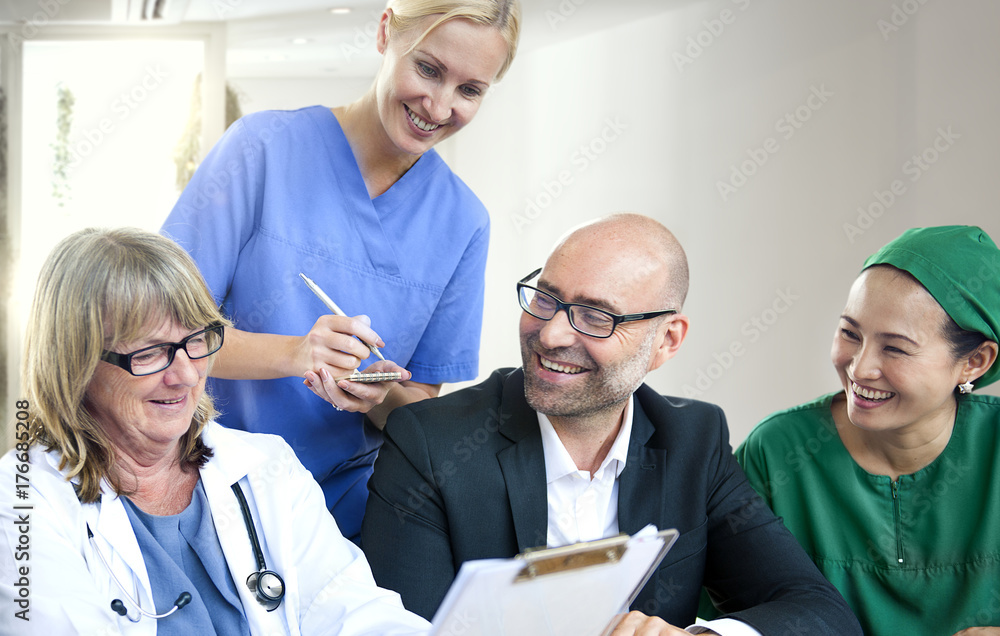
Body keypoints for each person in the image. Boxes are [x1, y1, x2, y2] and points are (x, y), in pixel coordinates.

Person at [362, 214, 863, 634]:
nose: (553, 334)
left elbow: (819, 612)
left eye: (597, 317)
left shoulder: (695, 440)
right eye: (545, 298)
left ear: (667, 341)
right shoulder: (430, 442)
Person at [160, 0, 521, 542]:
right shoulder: (261, 150)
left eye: (469, 90)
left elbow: (417, 410)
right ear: (384, 33)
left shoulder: (464, 222)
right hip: (206, 481)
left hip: (344, 515)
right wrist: (296, 353)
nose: (440, 105)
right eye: (427, 68)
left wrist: (376, 393)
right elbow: (159, 336)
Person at [0, 228, 430, 635]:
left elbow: (354, 611)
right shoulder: (21, 501)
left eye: (197, 341)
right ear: (75, 364)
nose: (186, 375)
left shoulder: (268, 467)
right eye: (150, 353)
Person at [736, 225, 1000, 636]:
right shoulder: (775, 452)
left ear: (976, 361)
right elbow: (721, 615)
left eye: (894, 348)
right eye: (849, 333)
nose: (859, 368)